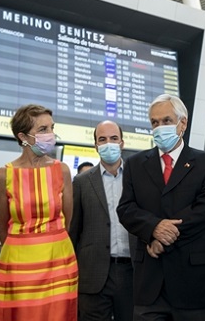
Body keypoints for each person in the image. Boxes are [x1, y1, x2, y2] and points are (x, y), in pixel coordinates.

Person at [117, 94, 205, 320]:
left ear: (182, 123)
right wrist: (154, 228)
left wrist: (163, 239)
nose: (159, 127)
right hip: (150, 286)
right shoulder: (135, 164)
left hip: (195, 284)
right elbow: (126, 209)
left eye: (166, 121)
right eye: (154, 123)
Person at [0, 104, 77, 321]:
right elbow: (3, 228)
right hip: (18, 266)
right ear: (23, 137)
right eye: (42, 129)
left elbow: (67, 220)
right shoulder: (4, 175)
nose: (50, 134)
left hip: (58, 262)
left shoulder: (62, 170)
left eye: (51, 128)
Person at [70, 120, 133, 321]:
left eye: (114, 138)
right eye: (102, 139)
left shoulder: (138, 177)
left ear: (122, 142)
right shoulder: (81, 182)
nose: (108, 144)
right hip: (93, 275)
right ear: (96, 145)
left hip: (132, 272)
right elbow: (74, 230)